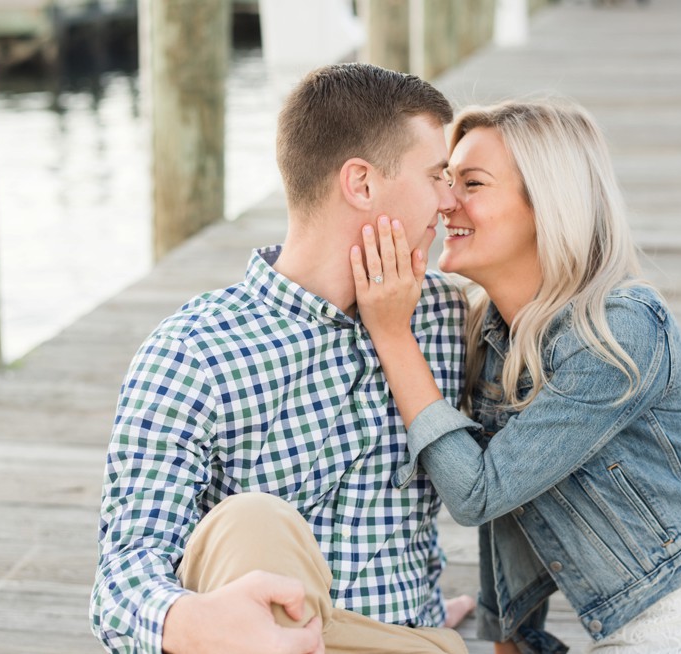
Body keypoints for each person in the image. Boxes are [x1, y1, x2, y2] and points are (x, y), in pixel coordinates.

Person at [350, 99, 681, 653]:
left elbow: (480, 491)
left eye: (472, 184)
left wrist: (392, 335)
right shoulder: (490, 337)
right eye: (447, 178)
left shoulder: (621, 329)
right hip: (627, 630)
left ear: (547, 206)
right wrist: (510, 635)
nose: (446, 200)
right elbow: (509, 510)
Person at [90, 62, 476, 654]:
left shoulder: (447, 318)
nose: (450, 201)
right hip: (272, 641)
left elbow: (509, 486)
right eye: (437, 176)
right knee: (253, 521)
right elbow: (123, 578)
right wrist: (195, 621)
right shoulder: (193, 352)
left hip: (408, 642)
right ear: (362, 184)